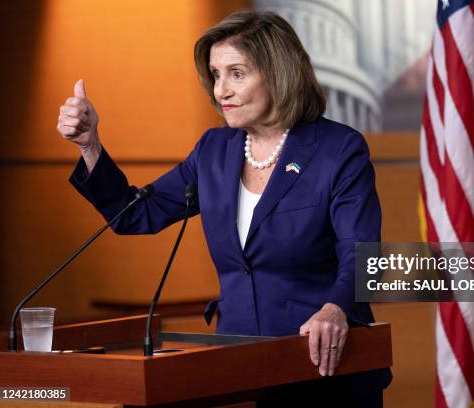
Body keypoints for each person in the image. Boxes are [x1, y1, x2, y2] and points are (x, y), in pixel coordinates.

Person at [57, 9, 391, 406]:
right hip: (235, 365)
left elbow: (362, 252)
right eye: (216, 75)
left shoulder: (338, 149)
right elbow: (134, 213)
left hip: (321, 362)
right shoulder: (214, 151)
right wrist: (89, 146)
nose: (221, 91)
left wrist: (336, 308)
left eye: (237, 73)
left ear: (278, 73)